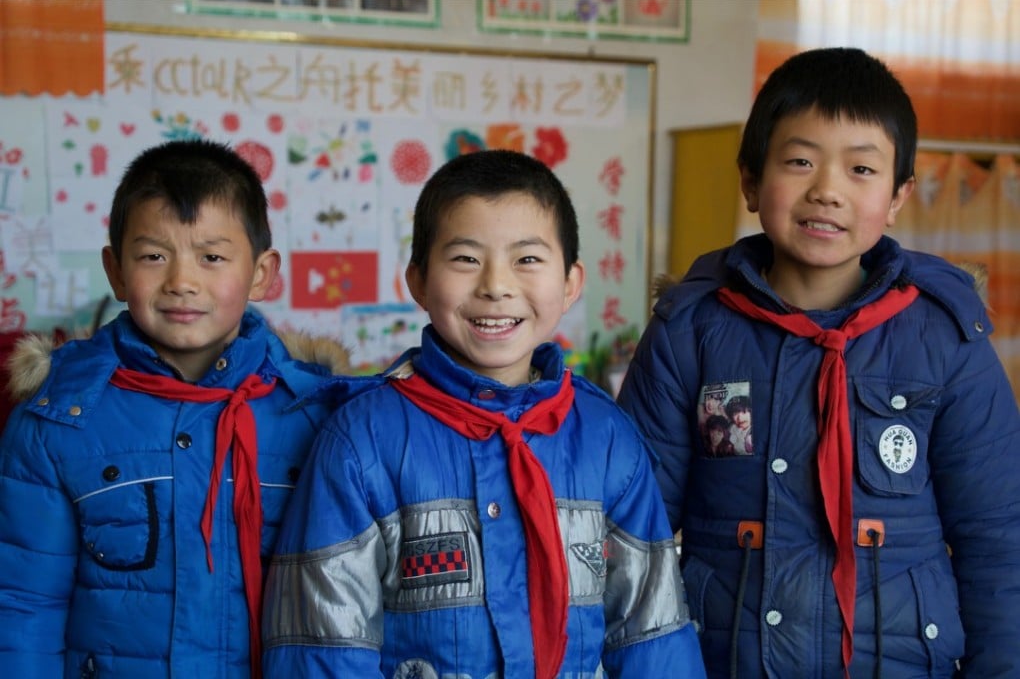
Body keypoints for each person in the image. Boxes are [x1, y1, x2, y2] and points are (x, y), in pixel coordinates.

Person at [617, 47, 1020, 679]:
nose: (827, 190)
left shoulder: (945, 338)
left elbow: (1000, 539)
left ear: (897, 196)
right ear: (751, 181)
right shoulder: (688, 330)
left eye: (861, 168)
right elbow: (631, 534)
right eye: (800, 161)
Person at [261, 149, 706, 678]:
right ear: (419, 281)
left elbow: (650, 633)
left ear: (570, 282)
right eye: (466, 259)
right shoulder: (362, 440)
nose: (496, 285)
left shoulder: (608, 437)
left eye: (527, 259)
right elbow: (323, 646)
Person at [0, 139, 349, 678]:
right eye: (153, 256)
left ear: (261, 272)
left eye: (212, 257)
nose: (182, 282)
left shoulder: (317, 415)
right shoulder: (57, 420)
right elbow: (24, 608)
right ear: (116, 270)